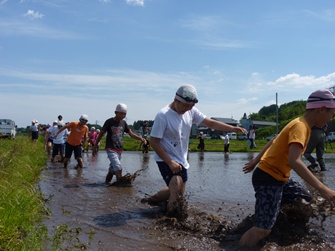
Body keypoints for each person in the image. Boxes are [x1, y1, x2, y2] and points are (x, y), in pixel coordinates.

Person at [239, 89, 335, 247]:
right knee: (263, 230)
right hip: (268, 178)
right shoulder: (301, 127)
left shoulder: (301, 123)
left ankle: (283, 226)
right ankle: (238, 247)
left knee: (308, 200)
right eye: (331, 113)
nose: (331, 117)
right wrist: (323, 189)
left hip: (280, 178)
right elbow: (294, 161)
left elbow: (275, 140)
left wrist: (255, 160)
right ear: (321, 109)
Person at [141, 84, 247, 216]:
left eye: (190, 107)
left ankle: (152, 200)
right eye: (185, 106)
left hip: (181, 158)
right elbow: (154, 142)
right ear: (176, 100)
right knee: (176, 184)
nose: (187, 110)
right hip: (166, 157)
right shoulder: (163, 115)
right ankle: (170, 220)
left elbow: (210, 123)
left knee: (178, 192)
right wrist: (169, 162)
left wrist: (231, 128)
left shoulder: (191, 111)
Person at [92, 103, 147, 184]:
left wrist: (141, 138)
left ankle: (107, 183)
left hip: (119, 149)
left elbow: (131, 134)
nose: (123, 115)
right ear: (115, 112)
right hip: (110, 148)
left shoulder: (124, 123)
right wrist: (95, 146)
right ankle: (120, 186)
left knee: (112, 169)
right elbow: (101, 134)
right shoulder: (109, 122)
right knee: (118, 167)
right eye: (121, 113)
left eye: (124, 114)